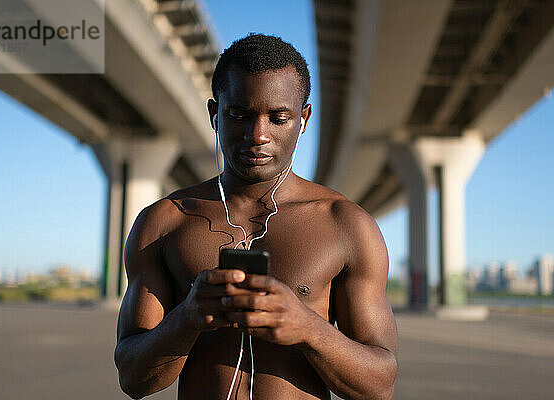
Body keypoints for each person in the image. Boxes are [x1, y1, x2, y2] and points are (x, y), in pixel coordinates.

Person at [114, 34, 398, 400]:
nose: (258, 135)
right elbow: (133, 380)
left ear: (303, 119)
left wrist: (308, 328)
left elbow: (380, 386)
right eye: (239, 116)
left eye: (278, 118)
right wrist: (187, 318)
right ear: (215, 115)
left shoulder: (346, 225)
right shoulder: (164, 223)